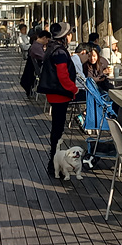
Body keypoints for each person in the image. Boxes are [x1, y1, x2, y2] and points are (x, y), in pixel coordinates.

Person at [37, 22, 78, 176]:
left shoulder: (51, 48)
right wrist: (74, 89)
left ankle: (54, 161)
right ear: (66, 36)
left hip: (54, 93)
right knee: (58, 130)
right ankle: (54, 163)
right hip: (60, 93)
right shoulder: (60, 52)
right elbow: (63, 76)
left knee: (57, 128)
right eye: (70, 34)